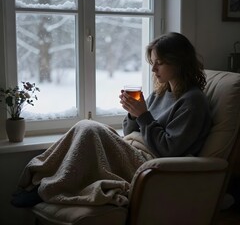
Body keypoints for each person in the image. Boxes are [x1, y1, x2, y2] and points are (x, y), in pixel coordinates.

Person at [11, 32, 212, 208]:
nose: (153, 70)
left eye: (159, 63)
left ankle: (44, 190)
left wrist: (143, 115)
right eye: (152, 63)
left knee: (89, 128)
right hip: (132, 148)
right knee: (84, 126)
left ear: (178, 61)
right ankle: (39, 180)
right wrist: (134, 113)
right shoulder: (161, 92)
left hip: (149, 164)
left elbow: (169, 150)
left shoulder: (193, 101)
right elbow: (131, 130)